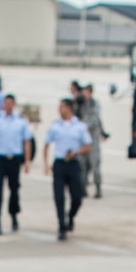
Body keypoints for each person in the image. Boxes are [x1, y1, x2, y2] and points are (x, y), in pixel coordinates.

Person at [0, 93, 34, 236]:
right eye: (6, 103)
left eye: (10, 103)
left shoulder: (21, 122)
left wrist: (27, 161)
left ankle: (14, 214)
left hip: (14, 158)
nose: (8, 106)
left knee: (14, 189)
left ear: (14, 105)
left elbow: (27, 141)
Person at [44, 99, 93, 241]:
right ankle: (61, 226)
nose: (60, 110)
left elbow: (88, 145)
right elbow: (46, 144)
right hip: (59, 163)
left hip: (73, 163)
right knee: (59, 197)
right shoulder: (55, 126)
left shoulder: (79, 126)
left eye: (63, 107)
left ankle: (70, 216)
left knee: (77, 197)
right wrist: (46, 163)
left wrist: (76, 152)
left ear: (69, 108)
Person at [79, 84, 108, 199]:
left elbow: (96, 119)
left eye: (85, 92)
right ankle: (83, 188)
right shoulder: (80, 104)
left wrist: (83, 127)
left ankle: (98, 188)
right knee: (82, 166)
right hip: (82, 140)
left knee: (95, 165)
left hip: (92, 139)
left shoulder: (94, 104)